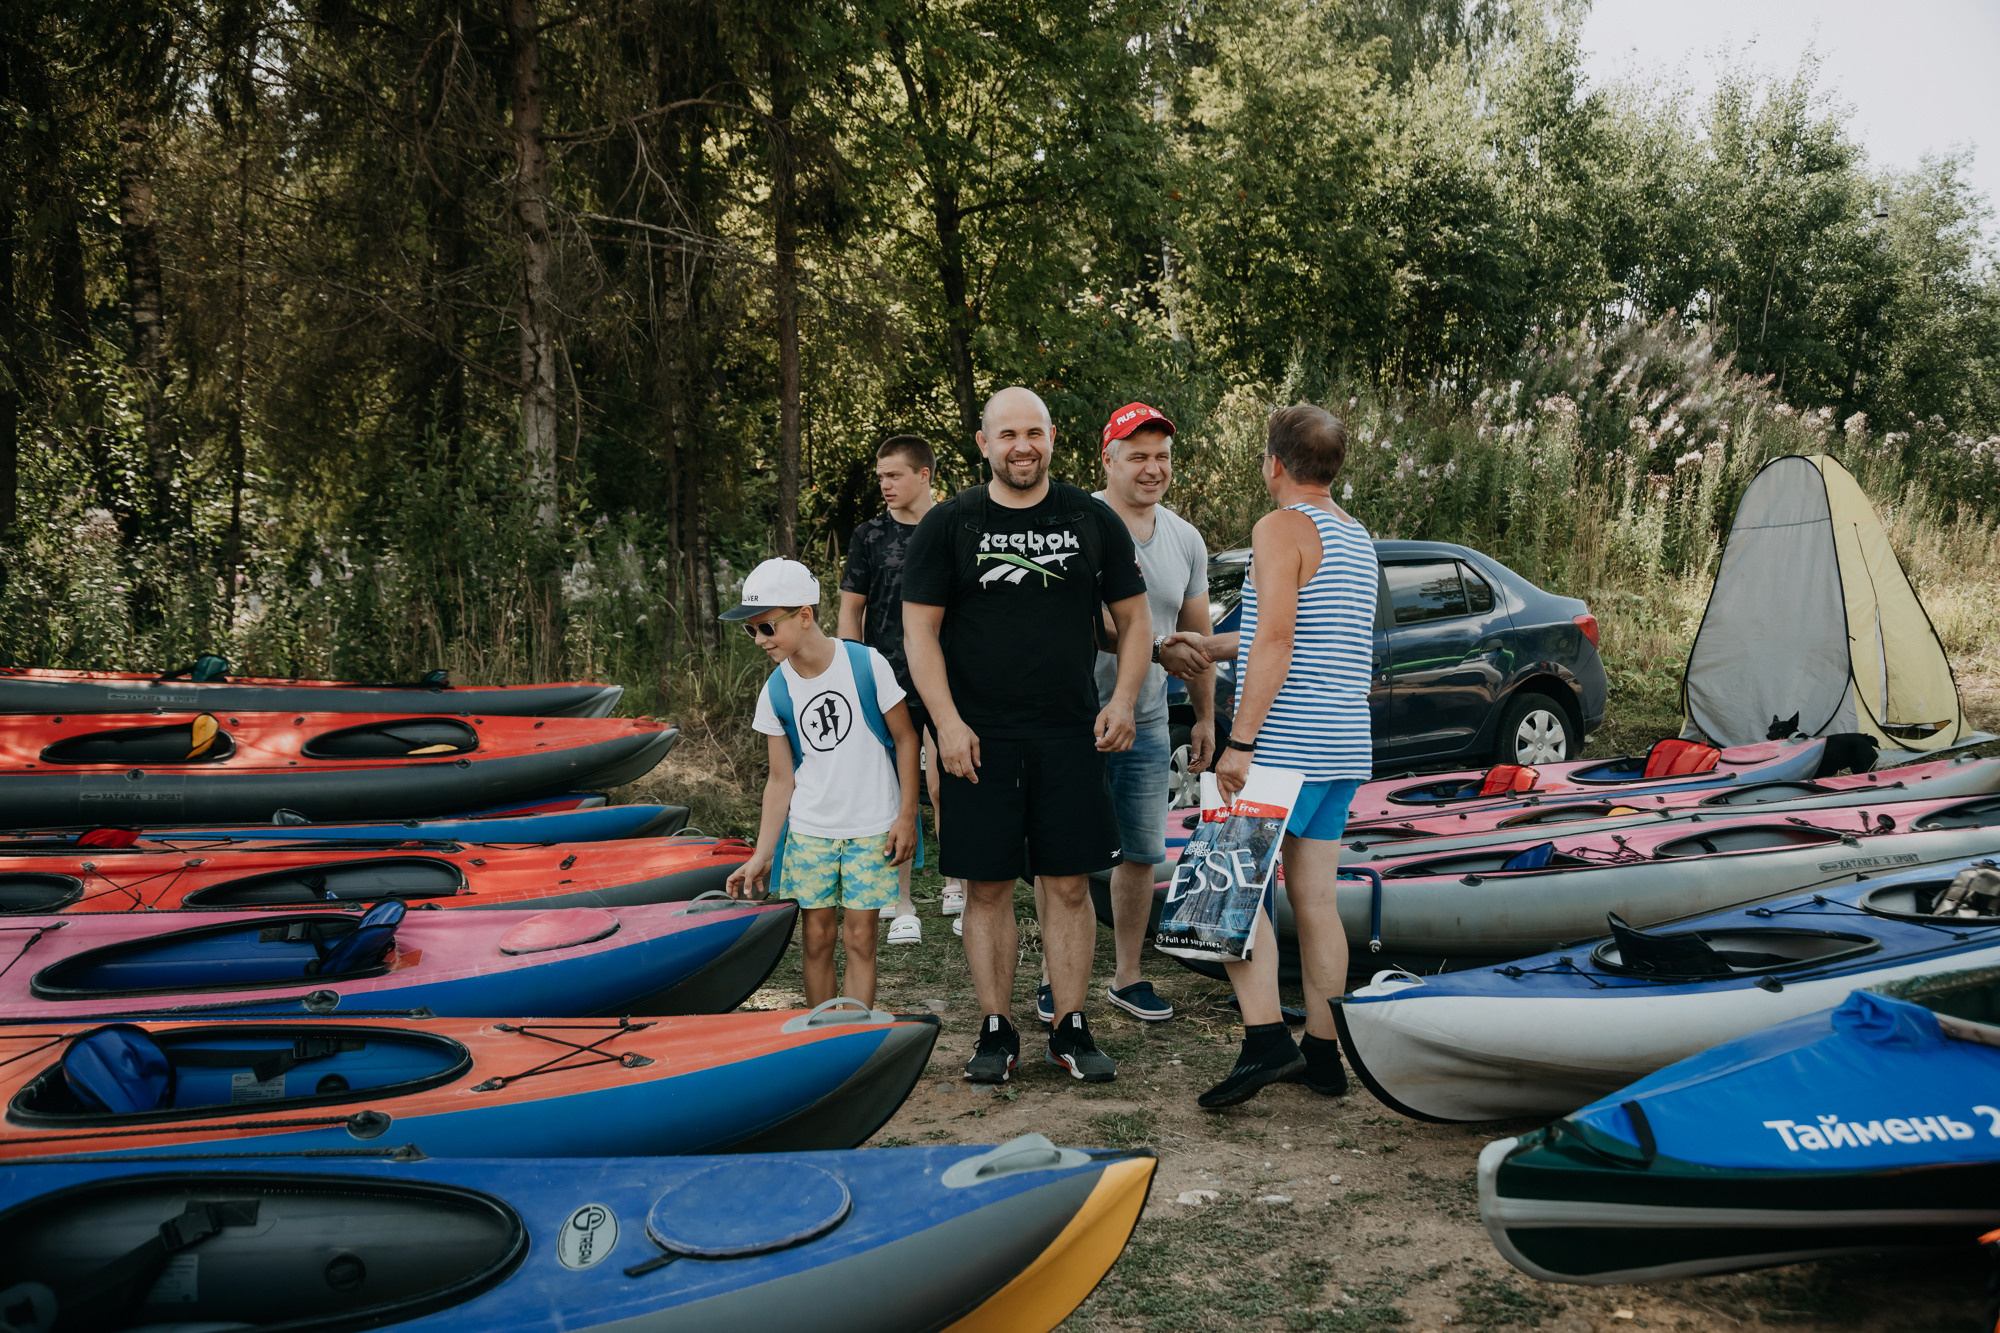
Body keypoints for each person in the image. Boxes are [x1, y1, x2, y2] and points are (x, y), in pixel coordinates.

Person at [902, 386, 1152, 1084]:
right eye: (1007, 433)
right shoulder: (950, 522)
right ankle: (996, 1027)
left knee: (1069, 884)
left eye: (1034, 432)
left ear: (1051, 438)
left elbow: (1134, 621)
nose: (1022, 445)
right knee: (986, 888)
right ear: (983, 443)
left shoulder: (1090, 516)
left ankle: (1070, 1024)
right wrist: (945, 723)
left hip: (1072, 733)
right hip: (976, 739)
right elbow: (918, 632)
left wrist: (1124, 698)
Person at [1167, 404, 1377, 1109]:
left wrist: (1241, 741)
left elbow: (1279, 641)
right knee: (1317, 900)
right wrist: (1200, 645)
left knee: (1224, 887)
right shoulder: (1355, 536)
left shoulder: (1279, 526)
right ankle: (1324, 1051)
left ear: (1273, 463)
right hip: (1342, 742)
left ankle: (1265, 1041)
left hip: (1284, 744)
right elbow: (1288, 629)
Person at [1032, 402, 1215, 1025]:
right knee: (1065, 852)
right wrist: (1151, 645)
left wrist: (1206, 718)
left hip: (1148, 716)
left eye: (1161, 457)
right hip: (1070, 716)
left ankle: (1128, 976)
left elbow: (1199, 639)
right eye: (1137, 456)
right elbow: (1078, 622)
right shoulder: (1069, 520)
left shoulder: (1185, 538)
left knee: (1141, 852)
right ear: (1107, 460)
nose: (1152, 468)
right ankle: (1059, 975)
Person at [723, 558, 921, 1009]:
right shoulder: (776, 691)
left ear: (805, 616)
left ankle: (853, 1039)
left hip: (872, 827)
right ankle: (823, 1038)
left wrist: (907, 815)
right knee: (815, 939)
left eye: (766, 628)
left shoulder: (865, 664)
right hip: (811, 831)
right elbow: (780, 781)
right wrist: (761, 854)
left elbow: (907, 740)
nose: (759, 640)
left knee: (861, 937)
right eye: (750, 631)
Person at [838, 434, 963, 945]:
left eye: (894, 475)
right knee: (897, 789)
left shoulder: (956, 527)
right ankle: (902, 898)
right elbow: (851, 610)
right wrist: (852, 671)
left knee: (950, 783)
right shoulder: (869, 535)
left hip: (951, 677)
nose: (885, 485)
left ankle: (960, 886)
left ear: (924, 475)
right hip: (885, 678)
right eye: (880, 476)